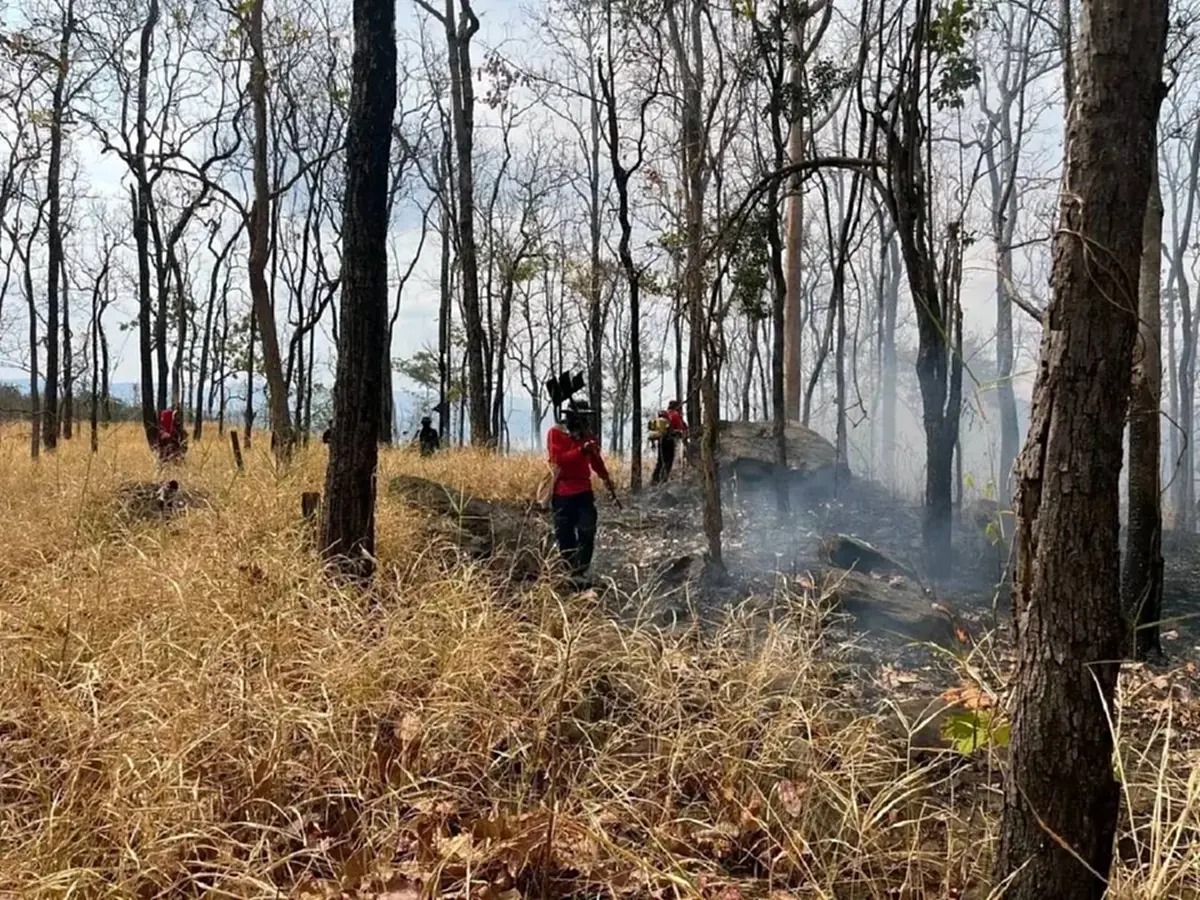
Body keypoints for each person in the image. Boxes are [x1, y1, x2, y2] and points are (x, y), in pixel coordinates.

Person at [547, 399, 615, 585]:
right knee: (565, 534)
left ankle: (581, 570)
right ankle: (569, 572)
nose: (585, 422)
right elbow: (558, 459)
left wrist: (606, 478)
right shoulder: (556, 433)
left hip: (583, 491)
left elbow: (596, 461)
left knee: (587, 529)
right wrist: (580, 450)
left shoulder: (589, 437)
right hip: (562, 492)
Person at [652, 400, 687, 484]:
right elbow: (681, 428)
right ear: (677, 406)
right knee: (669, 461)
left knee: (660, 461)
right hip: (669, 441)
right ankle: (664, 480)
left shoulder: (665, 415)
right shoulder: (675, 415)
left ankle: (655, 480)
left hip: (661, 440)